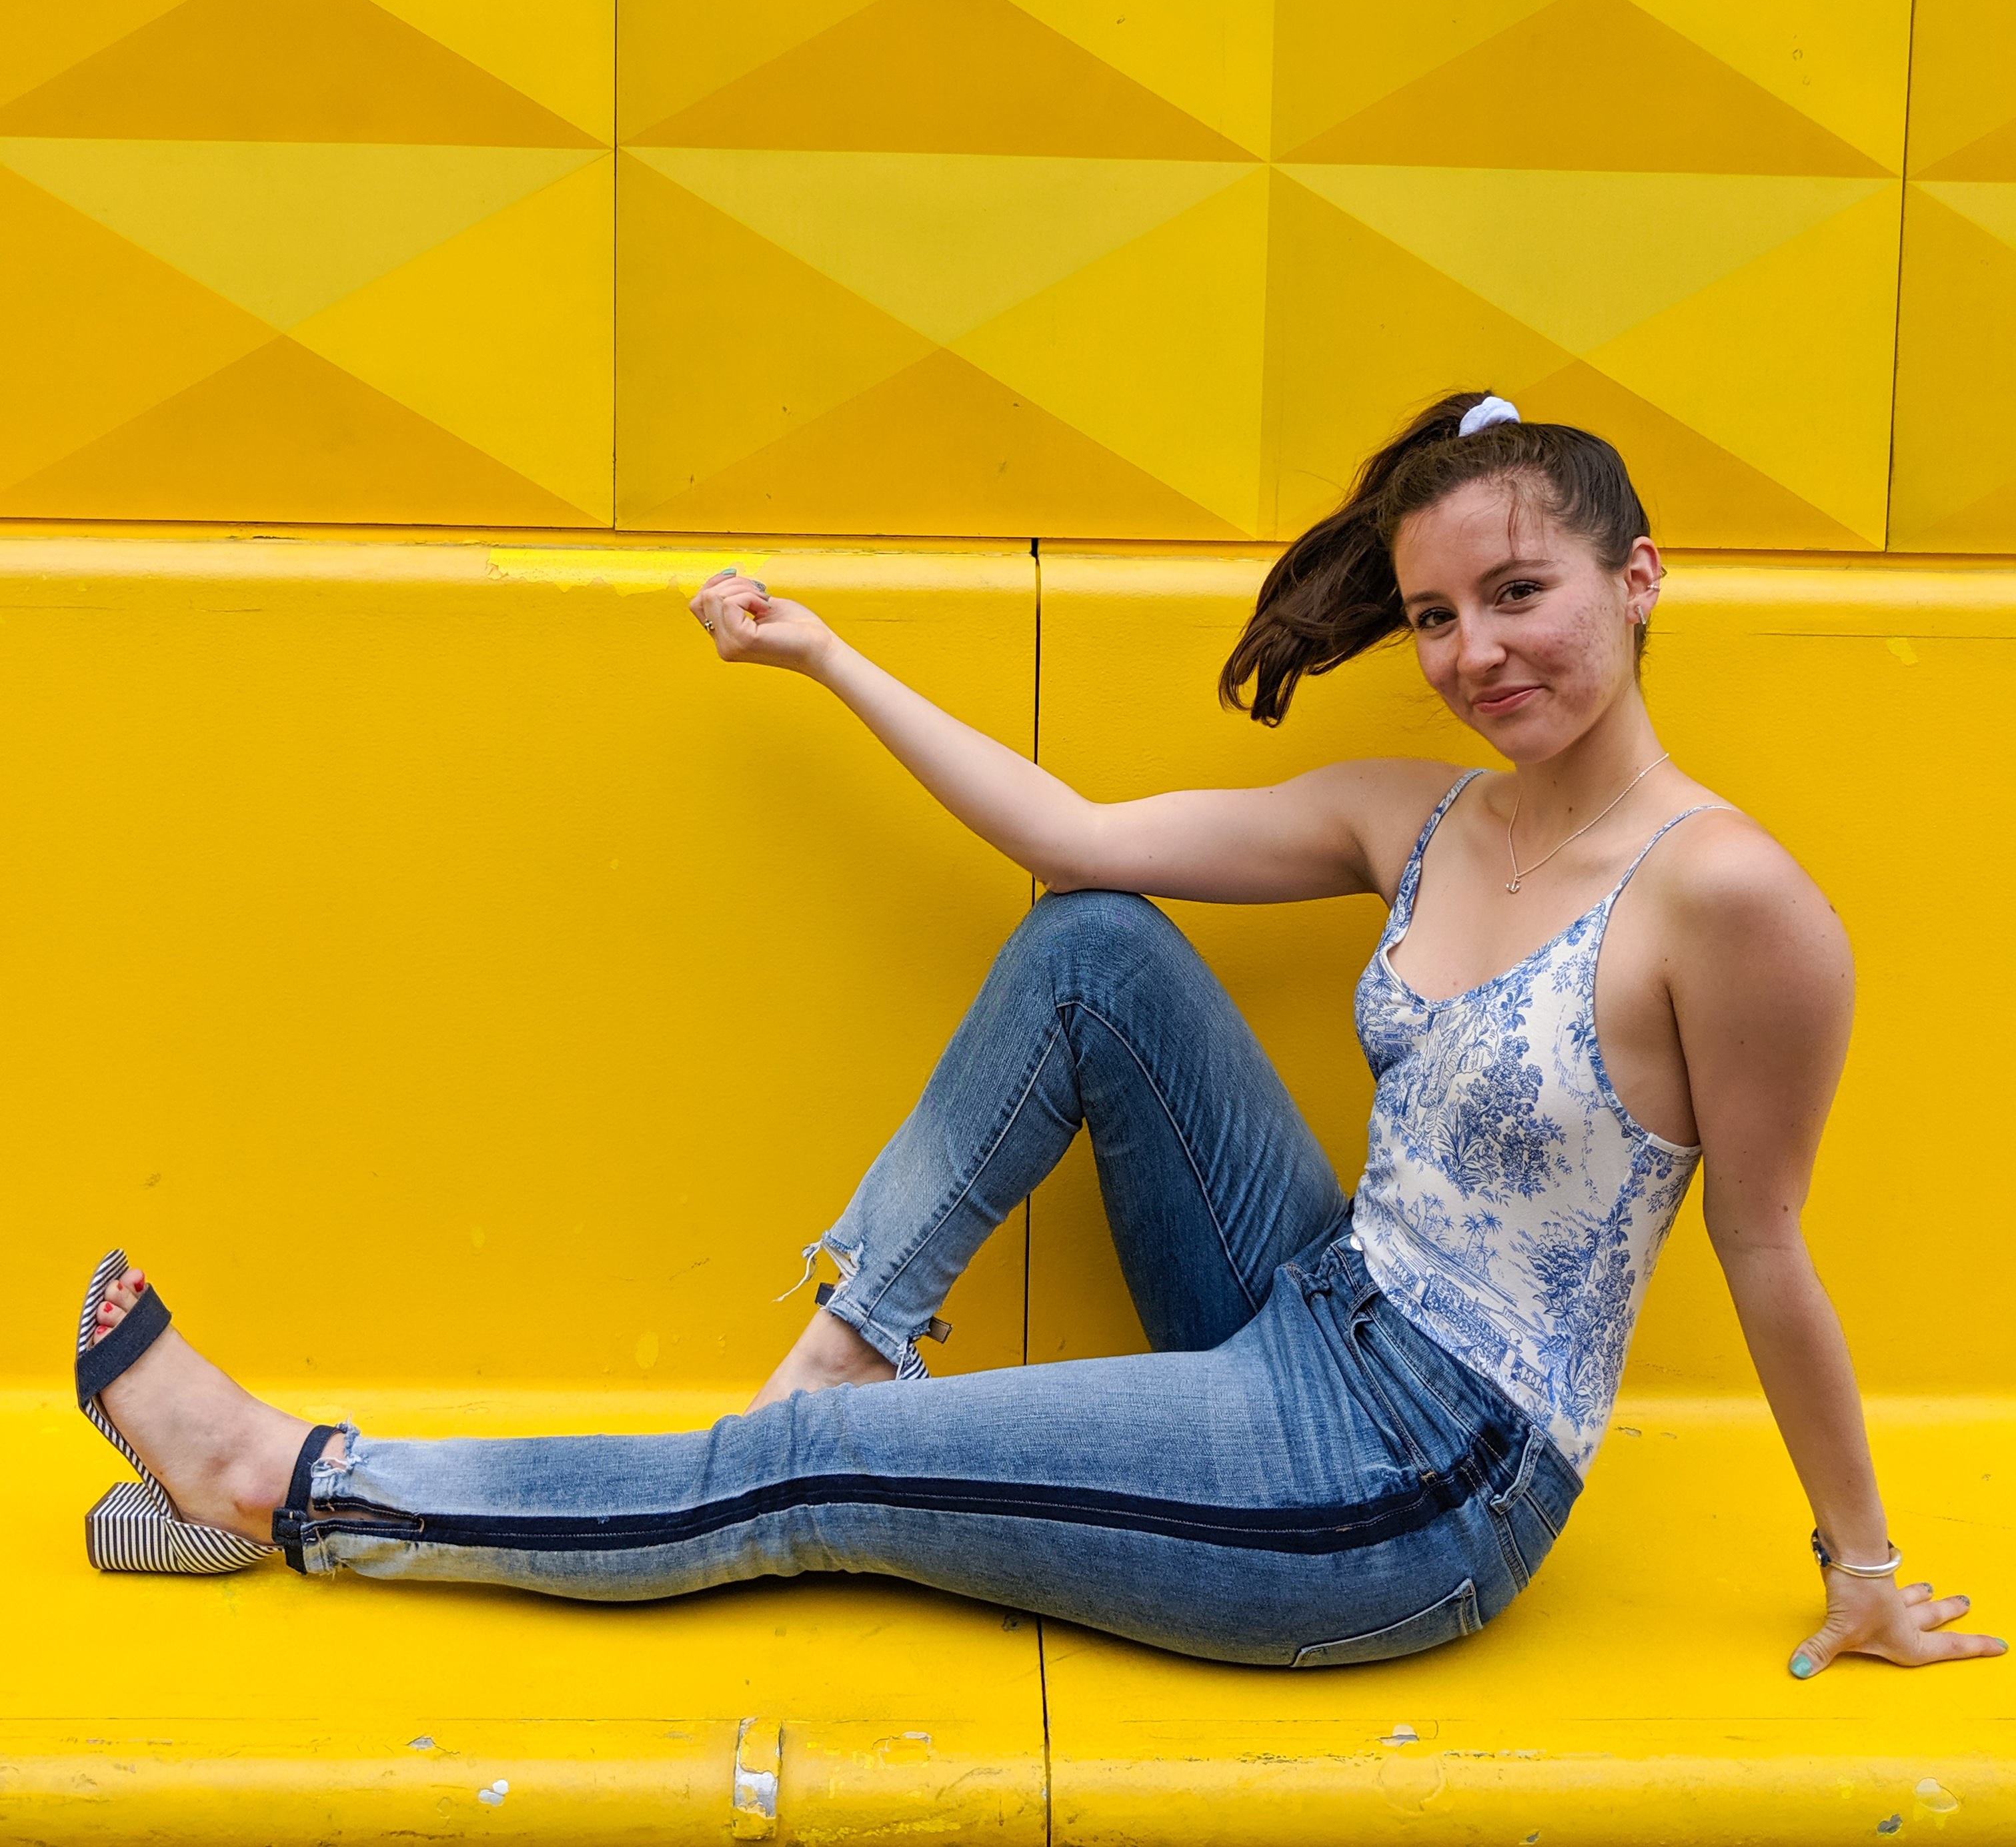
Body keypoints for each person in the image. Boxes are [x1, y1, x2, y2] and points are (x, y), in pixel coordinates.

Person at [75, 393, 2003, 1676]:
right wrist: (828, 658)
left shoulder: (1731, 901)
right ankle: (846, 1338)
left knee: (814, 1491)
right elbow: (1074, 838)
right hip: (1310, 1306)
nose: (1478, 651)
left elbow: (1765, 1246)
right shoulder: (1417, 813)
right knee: (1096, 944)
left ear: (1639, 581)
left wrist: (1858, 1568)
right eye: (1434, 616)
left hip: (1422, 1484)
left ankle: (280, 1484)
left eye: (1522, 593)